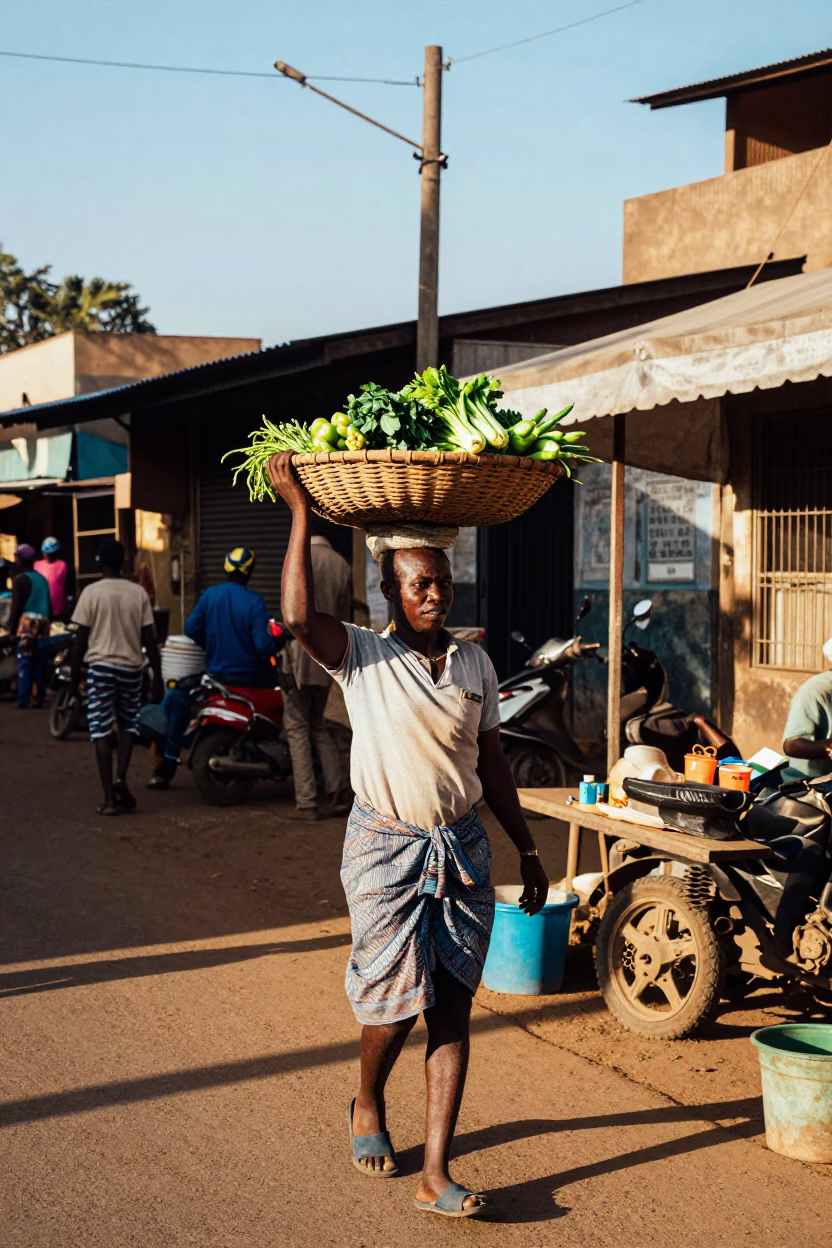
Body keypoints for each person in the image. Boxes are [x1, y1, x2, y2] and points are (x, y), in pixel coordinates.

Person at [268, 452, 550, 1220]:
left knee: (451, 1009)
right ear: (390, 591)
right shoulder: (363, 655)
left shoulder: (475, 664)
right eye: (419, 584)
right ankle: (367, 1100)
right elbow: (298, 619)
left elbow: (493, 764)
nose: (434, 593)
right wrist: (300, 512)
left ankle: (435, 1172)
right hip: (384, 848)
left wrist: (527, 848)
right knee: (394, 1008)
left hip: (461, 849)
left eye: (443, 582)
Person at [70, 538, 163, 816]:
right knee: (128, 725)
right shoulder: (138, 593)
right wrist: (157, 676)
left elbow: (80, 640)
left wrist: (74, 677)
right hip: (131, 669)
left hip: (100, 669)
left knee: (101, 730)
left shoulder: (90, 593)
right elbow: (150, 640)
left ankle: (109, 799)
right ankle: (121, 778)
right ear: (123, 562)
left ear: (99, 561)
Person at [282, 518, 352, 820]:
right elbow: (345, 620)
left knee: (297, 727)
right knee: (319, 724)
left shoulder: (296, 557)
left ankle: (307, 802)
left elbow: (289, 613)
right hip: (327, 656)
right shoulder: (342, 565)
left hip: (298, 655)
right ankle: (338, 792)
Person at [8, 544, 52, 709]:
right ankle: (40, 696)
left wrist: (11, 628)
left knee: (24, 661)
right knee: (40, 661)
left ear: (20, 559)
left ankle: (23, 699)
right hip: (44, 622)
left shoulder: (20, 580)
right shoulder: (42, 579)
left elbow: (16, 607)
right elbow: (49, 605)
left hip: (27, 622)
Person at [34, 537, 70, 622]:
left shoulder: (63, 565)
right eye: (47, 553)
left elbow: (68, 587)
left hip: (59, 610)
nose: (49, 555)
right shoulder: (36, 565)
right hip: (41, 610)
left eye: (52, 553)